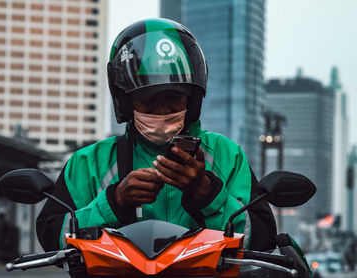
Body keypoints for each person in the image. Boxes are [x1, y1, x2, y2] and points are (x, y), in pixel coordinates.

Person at [37, 18, 276, 252]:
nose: (162, 112)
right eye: (148, 101)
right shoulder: (88, 163)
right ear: (125, 101)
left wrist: (207, 192)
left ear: (191, 101)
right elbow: (53, 237)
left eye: (173, 100)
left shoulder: (227, 156)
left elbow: (260, 239)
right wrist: (114, 202)